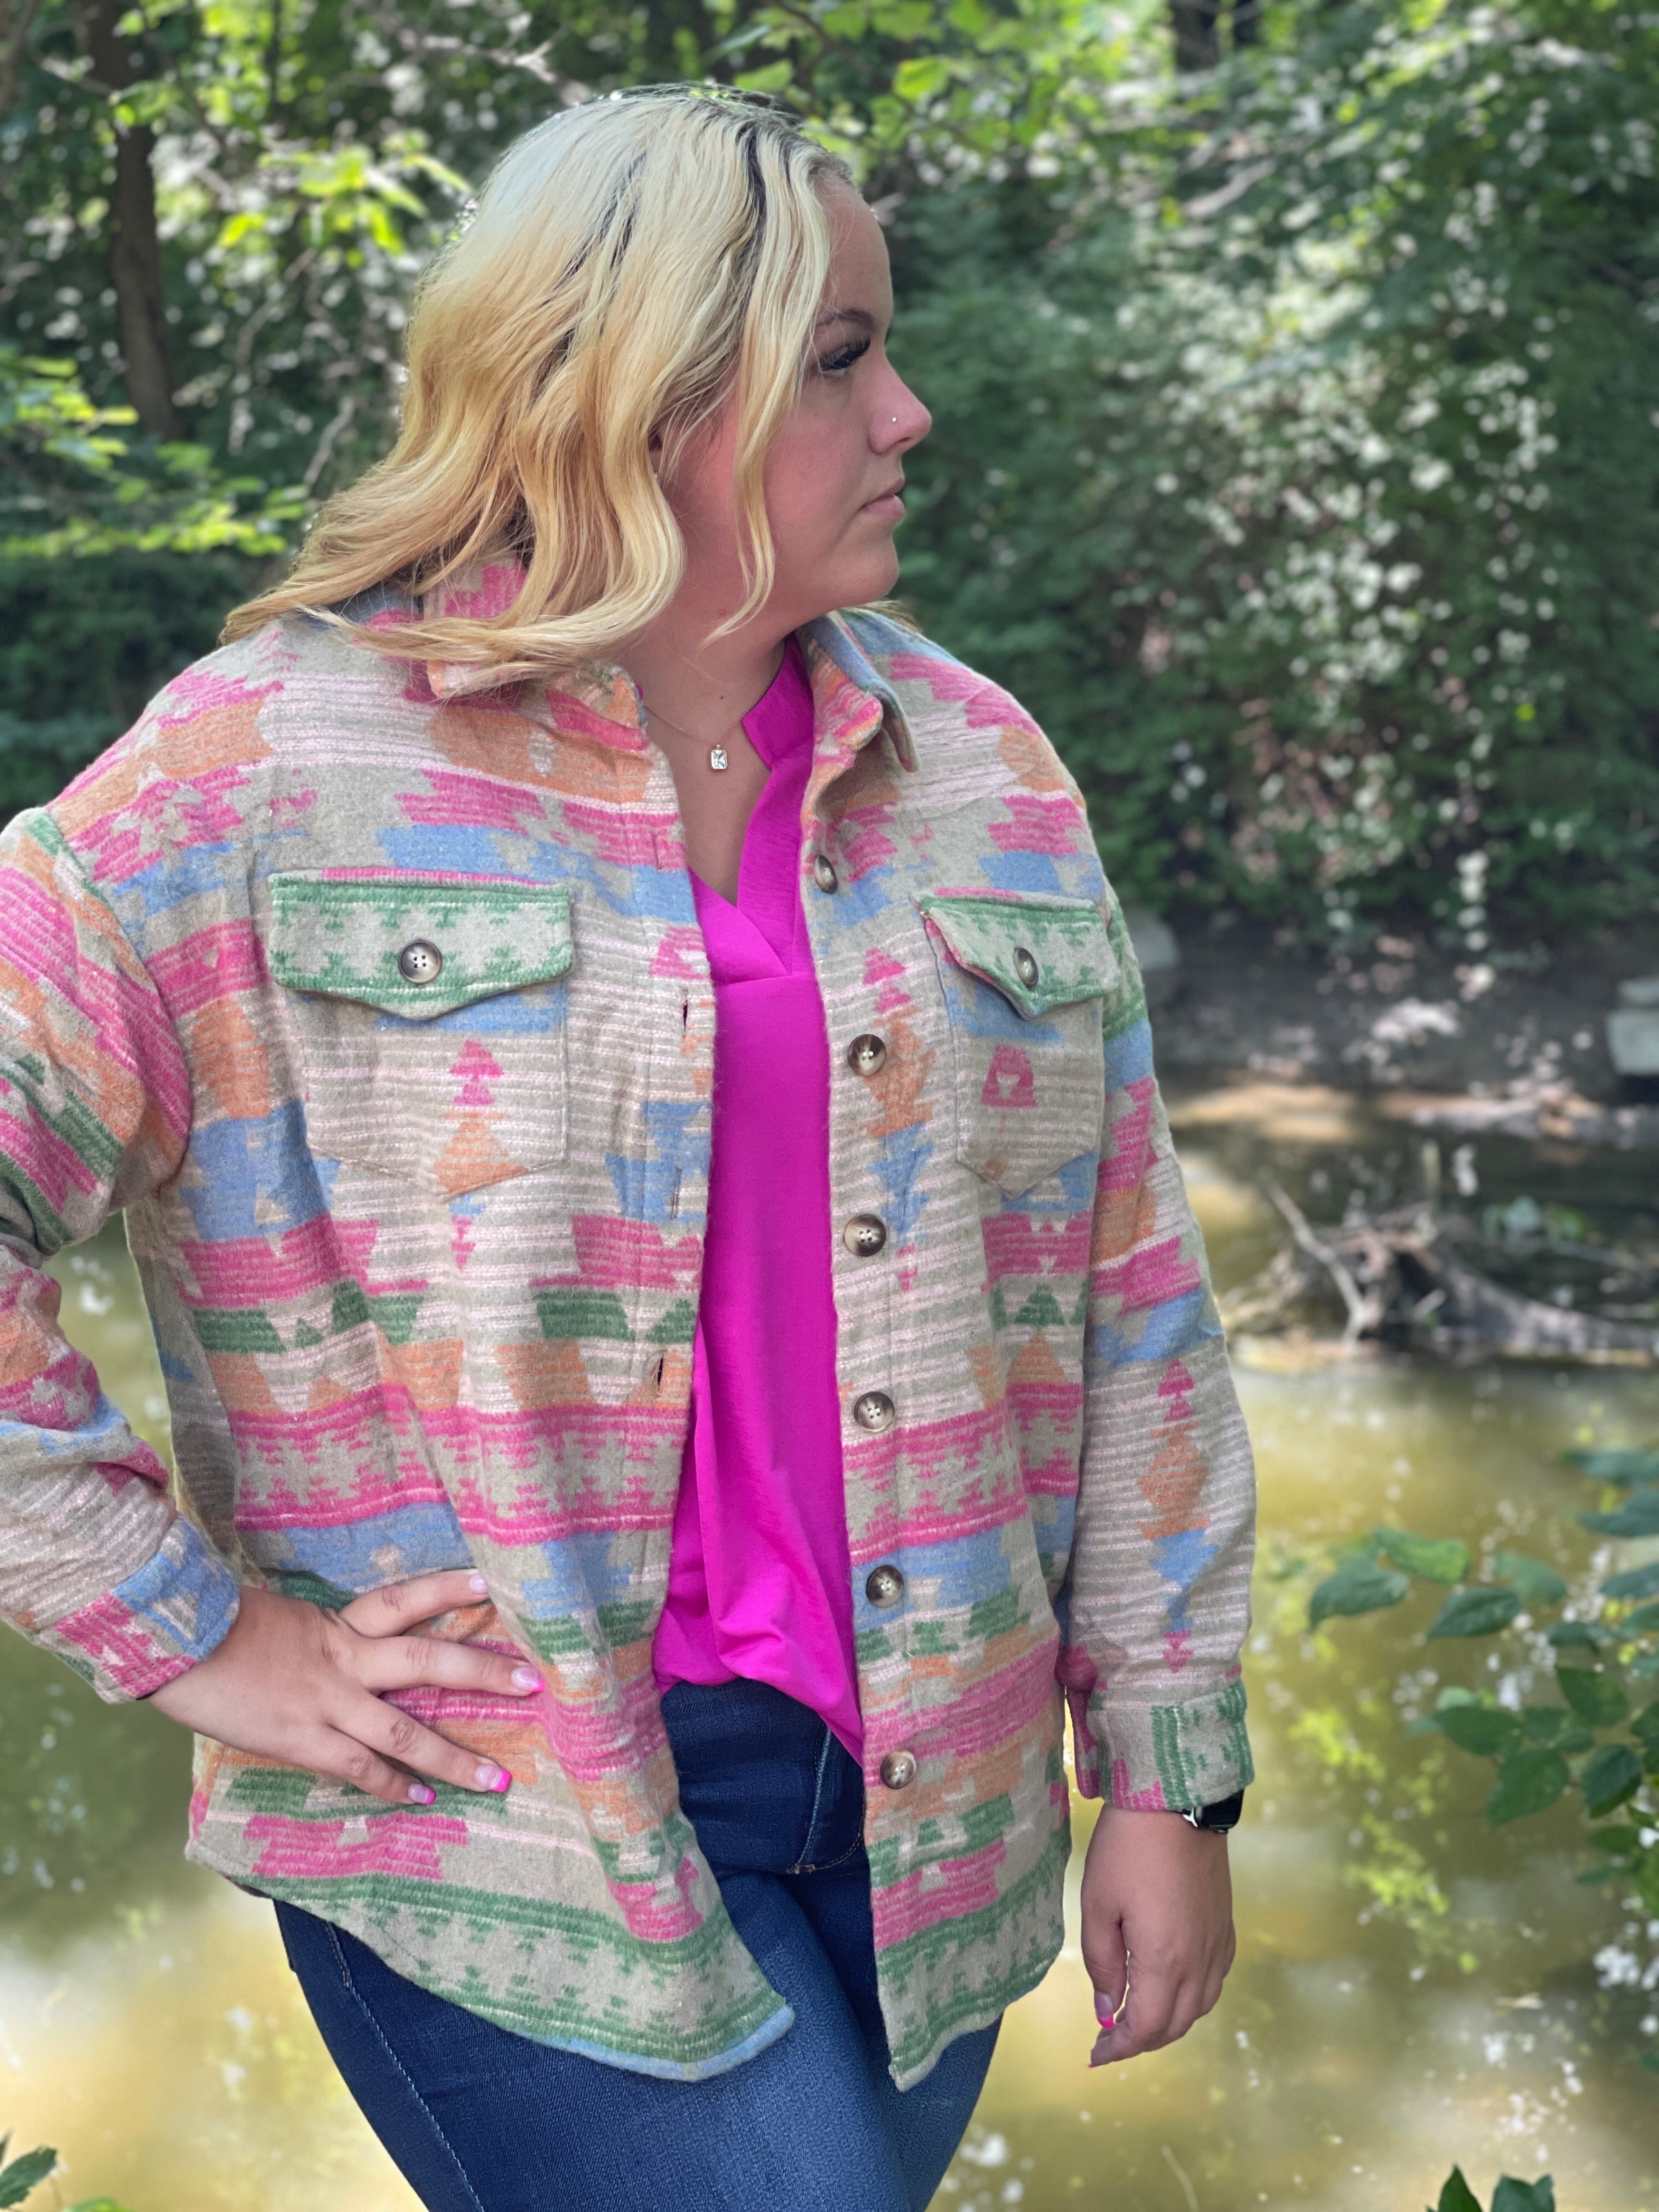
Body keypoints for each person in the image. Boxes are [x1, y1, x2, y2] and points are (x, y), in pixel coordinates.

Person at [0, 87, 1255, 2212]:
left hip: (931, 1817)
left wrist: (1168, 1776)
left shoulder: (983, 772)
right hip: (514, 1822)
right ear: (638, 398)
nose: (911, 414)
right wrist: (200, 1634)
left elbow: (1132, 1301)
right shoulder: (268, 772)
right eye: (841, 358)